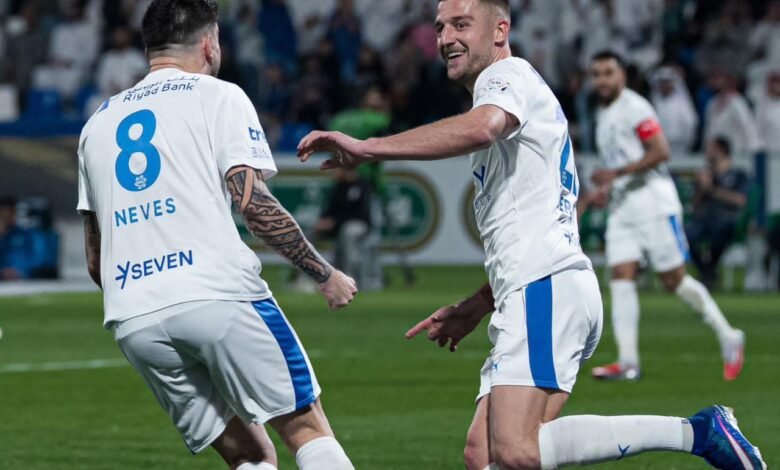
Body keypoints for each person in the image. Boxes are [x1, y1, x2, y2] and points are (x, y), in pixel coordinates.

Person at [297, 1, 766, 468]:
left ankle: (699, 432)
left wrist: (369, 147)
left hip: (546, 288)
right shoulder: (512, 95)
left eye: (461, 25)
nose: (446, 38)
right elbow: (531, 223)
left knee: (516, 449)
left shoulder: (507, 77)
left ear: (500, 30)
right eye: (440, 28)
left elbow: (483, 128)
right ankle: (700, 431)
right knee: (484, 454)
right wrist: (479, 303)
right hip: (543, 286)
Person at [76, 1, 356, 469]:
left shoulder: (96, 125)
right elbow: (254, 205)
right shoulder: (218, 95)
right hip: (217, 296)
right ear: (209, 44)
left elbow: (95, 256)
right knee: (306, 429)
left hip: (134, 316)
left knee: (250, 454)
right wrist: (324, 273)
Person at [588, 51, 746, 383]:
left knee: (673, 280)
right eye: (597, 74)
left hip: (654, 205)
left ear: (622, 76)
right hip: (623, 209)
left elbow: (661, 151)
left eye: (608, 73)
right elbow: (619, 162)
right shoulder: (602, 113)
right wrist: (607, 189)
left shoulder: (636, 107)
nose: (602, 80)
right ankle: (628, 361)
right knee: (621, 275)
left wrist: (616, 174)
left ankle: (728, 335)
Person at [687, 137, 750, 289]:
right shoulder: (706, 174)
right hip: (704, 220)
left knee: (721, 232)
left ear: (721, 151)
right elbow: (694, 207)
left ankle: (709, 270)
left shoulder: (738, 175)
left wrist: (712, 190)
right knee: (686, 235)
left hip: (726, 219)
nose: (707, 152)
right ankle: (707, 271)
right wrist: (702, 188)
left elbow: (740, 200)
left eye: (711, 148)